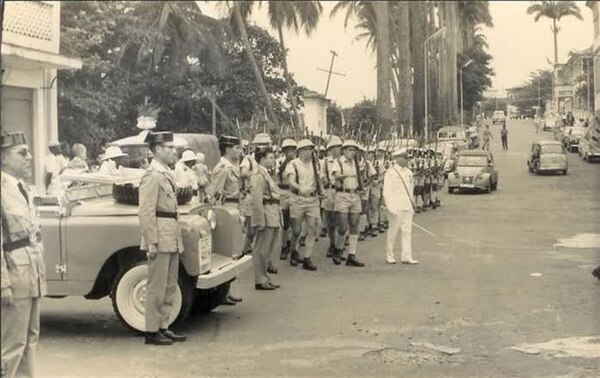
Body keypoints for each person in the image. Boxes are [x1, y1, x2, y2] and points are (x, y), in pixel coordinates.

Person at [1, 132, 47, 377]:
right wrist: (2, 284)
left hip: (32, 273)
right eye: (22, 153)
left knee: (30, 340)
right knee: (12, 346)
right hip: (13, 275)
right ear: (3, 158)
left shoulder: (23, 188)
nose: (29, 157)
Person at [138, 131, 187, 346]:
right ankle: (151, 331)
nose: (173, 151)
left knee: (169, 285)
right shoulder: (152, 175)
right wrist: (151, 241)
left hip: (171, 234)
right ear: (157, 150)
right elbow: (146, 211)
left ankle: (163, 326)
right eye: (169, 148)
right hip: (159, 235)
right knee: (156, 286)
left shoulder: (166, 173)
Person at [206, 135, 244, 305]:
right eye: (237, 148)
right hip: (226, 211)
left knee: (234, 251)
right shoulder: (223, 168)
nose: (239, 151)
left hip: (235, 208)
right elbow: (215, 195)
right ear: (228, 149)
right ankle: (222, 293)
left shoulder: (232, 166)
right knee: (227, 253)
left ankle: (225, 291)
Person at [284, 139, 320, 271]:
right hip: (297, 198)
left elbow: (319, 179)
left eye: (310, 149)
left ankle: (307, 257)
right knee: (296, 230)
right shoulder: (293, 164)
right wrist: (300, 188)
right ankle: (294, 249)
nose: (308, 152)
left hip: (312, 199)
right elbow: (291, 181)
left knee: (312, 228)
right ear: (299, 151)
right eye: (305, 149)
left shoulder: (316, 164)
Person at [250, 148, 282, 290]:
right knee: (261, 248)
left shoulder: (265, 173)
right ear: (262, 159)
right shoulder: (258, 175)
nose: (273, 160)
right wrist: (259, 220)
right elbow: (256, 199)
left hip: (272, 211)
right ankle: (260, 279)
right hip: (266, 212)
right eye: (270, 157)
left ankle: (265, 277)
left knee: (268, 248)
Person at [331, 140, 365, 267]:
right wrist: (347, 175)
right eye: (349, 150)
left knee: (354, 225)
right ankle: (338, 249)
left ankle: (352, 254)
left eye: (354, 150)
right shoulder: (338, 162)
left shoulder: (356, 163)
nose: (352, 152)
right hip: (343, 195)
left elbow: (361, 177)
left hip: (354, 194)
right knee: (342, 226)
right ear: (344, 150)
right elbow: (336, 175)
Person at [383, 147, 418, 265]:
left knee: (407, 232)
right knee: (393, 232)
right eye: (404, 158)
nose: (406, 160)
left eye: (407, 158)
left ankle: (407, 256)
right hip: (396, 206)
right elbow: (387, 191)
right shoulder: (391, 172)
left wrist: (412, 204)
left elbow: (410, 190)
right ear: (397, 158)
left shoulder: (409, 172)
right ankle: (389, 255)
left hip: (407, 206)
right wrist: (390, 207)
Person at [320, 136, 343, 257]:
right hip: (330, 191)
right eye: (335, 147)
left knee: (341, 220)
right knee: (330, 222)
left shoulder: (344, 161)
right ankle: (332, 244)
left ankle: (340, 245)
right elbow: (321, 176)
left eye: (339, 147)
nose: (337, 149)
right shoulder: (324, 162)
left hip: (342, 192)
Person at [276, 139, 297, 260]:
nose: (290, 151)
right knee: (284, 222)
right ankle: (284, 245)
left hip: (294, 192)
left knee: (295, 221)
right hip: (283, 192)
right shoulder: (278, 161)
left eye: (292, 149)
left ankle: (293, 246)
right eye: (288, 149)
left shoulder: (298, 162)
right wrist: (286, 161)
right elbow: (277, 172)